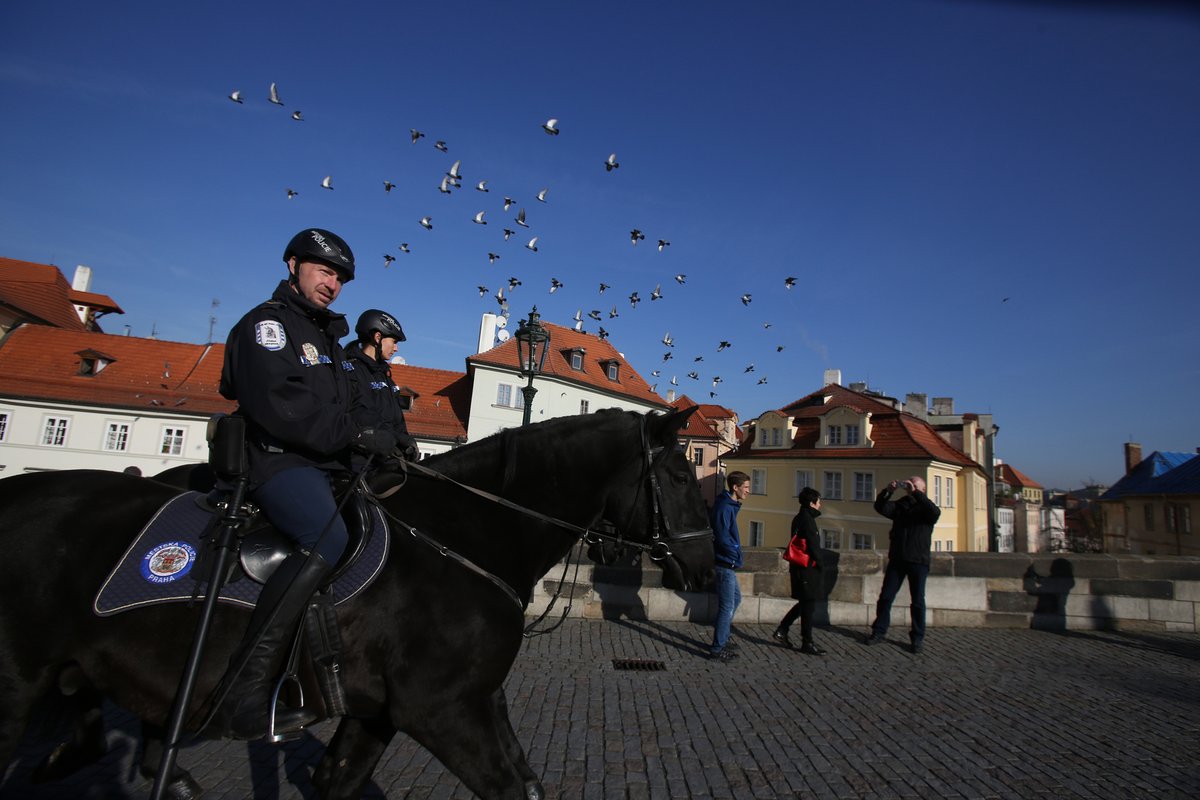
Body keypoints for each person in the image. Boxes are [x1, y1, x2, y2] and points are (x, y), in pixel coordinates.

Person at [215, 228, 398, 739]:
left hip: (325, 465)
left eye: (339, 277)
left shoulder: (325, 337)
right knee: (327, 538)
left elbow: (347, 408)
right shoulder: (268, 327)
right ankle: (244, 687)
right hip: (277, 459)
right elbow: (282, 405)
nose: (332, 284)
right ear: (293, 265)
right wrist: (358, 433)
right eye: (323, 271)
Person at [864, 476, 941, 653]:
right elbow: (881, 507)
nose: (909, 488)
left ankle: (917, 638)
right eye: (909, 485)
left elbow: (934, 513)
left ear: (922, 490)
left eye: (914, 486)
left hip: (918, 560)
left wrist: (916, 493)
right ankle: (879, 631)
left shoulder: (926, 509)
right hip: (898, 559)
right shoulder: (902, 504)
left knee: (917, 601)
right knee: (886, 597)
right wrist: (887, 492)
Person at [344, 309, 419, 462]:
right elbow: (360, 414)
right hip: (360, 459)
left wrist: (406, 440)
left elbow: (398, 421)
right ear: (378, 337)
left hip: (388, 457)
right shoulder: (351, 371)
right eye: (394, 342)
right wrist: (395, 437)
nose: (396, 348)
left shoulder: (386, 377)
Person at [772, 486, 825, 655]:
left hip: (799, 567)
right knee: (808, 605)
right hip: (806, 567)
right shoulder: (808, 519)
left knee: (805, 603)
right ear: (812, 503)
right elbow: (813, 546)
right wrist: (820, 563)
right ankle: (806, 642)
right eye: (818, 502)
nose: (820, 505)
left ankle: (783, 629)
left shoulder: (799, 517)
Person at [709, 471, 750, 661]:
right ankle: (717, 648)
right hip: (725, 563)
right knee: (726, 606)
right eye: (746, 487)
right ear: (735, 487)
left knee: (736, 599)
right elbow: (723, 537)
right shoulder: (724, 507)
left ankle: (722, 638)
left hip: (727, 562)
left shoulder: (728, 504)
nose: (748, 491)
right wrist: (735, 554)